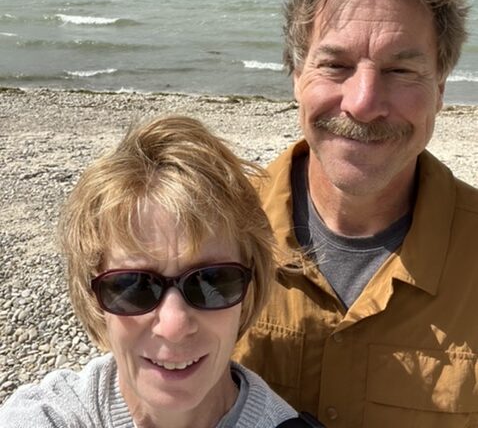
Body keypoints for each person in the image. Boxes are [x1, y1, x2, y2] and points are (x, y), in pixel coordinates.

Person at [233, 0, 478, 427]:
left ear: (440, 88)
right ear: (296, 75)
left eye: (400, 69)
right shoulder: (214, 228)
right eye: (336, 65)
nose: (363, 103)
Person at [0, 115, 321, 428]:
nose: (174, 326)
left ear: (250, 290)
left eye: (211, 281)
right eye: (134, 286)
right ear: (92, 297)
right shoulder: (47, 415)